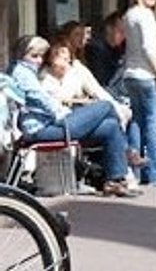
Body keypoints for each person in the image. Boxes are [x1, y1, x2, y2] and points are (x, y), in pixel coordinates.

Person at [6, 35, 137, 197]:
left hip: (49, 125)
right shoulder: (22, 73)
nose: (39, 61)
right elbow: (40, 99)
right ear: (21, 55)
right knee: (106, 106)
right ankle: (127, 152)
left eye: (41, 56)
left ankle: (114, 180)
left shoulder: (22, 71)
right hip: (43, 129)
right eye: (34, 56)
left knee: (111, 126)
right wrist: (65, 114)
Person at [121, 0, 156, 187]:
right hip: (147, 75)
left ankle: (136, 170)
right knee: (153, 124)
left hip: (130, 74)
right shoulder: (146, 16)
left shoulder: (129, 15)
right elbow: (149, 48)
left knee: (137, 122)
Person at [83, 11, 126, 91]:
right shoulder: (96, 48)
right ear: (109, 29)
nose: (124, 35)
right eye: (120, 31)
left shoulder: (120, 48)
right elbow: (101, 80)